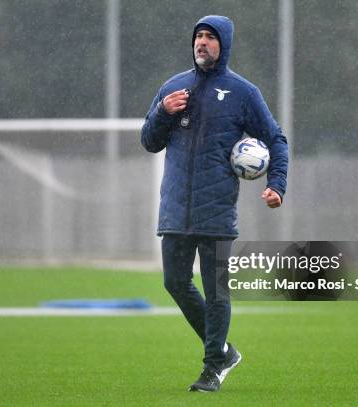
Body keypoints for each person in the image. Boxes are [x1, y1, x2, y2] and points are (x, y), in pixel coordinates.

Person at [141, 15, 289, 392]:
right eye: (198, 37)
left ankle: (212, 368)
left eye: (210, 37)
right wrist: (162, 112)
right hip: (175, 208)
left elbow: (276, 140)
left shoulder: (242, 92)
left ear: (224, 44)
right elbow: (149, 141)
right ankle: (224, 351)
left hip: (217, 211)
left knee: (217, 291)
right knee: (174, 282)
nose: (202, 43)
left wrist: (277, 184)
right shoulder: (173, 88)